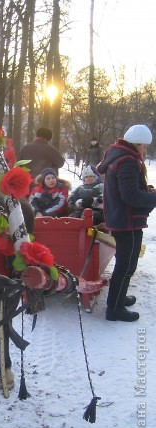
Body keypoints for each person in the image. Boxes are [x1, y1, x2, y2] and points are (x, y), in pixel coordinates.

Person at [97, 124, 156, 322]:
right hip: (127, 221)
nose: (145, 150)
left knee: (126, 263)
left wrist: (146, 191)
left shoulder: (120, 156)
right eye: (144, 146)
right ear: (136, 143)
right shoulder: (128, 161)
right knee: (126, 265)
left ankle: (118, 299)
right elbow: (130, 196)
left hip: (121, 218)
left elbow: (128, 189)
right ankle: (114, 309)